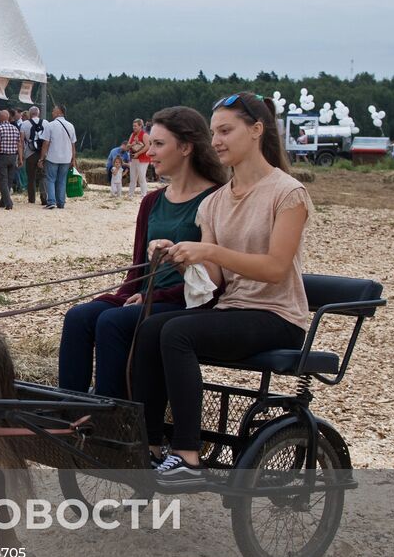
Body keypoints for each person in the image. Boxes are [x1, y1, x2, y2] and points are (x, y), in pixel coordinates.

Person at [134, 92, 313, 488]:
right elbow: (214, 280)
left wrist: (210, 249)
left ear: (256, 131)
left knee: (177, 332)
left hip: (277, 316)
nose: (216, 140)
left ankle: (188, 455)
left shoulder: (288, 193)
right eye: (213, 132)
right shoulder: (215, 201)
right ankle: (148, 447)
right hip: (233, 310)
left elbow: (276, 268)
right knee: (149, 328)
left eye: (226, 130)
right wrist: (181, 257)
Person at [59, 107, 226, 401]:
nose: (151, 152)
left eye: (159, 144)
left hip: (186, 303)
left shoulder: (215, 200)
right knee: (79, 316)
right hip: (146, 297)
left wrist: (149, 298)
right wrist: (120, 297)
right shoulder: (152, 200)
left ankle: (114, 422)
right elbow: (138, 268)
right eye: (151, 144)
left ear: (186, 147)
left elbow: (212, 282)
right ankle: (70, 412)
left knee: (112, 322)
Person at [39, 104, 77, 209]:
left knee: (50, 179)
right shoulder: (71, 126)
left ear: (59, 112)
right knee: (62, 180)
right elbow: (73, 145)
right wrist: (73, 159)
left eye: (53, 111)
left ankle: (51, 201)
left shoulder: (50, 125)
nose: (52, 113)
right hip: (66, 158)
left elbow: (46, 143)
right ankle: (61, 202)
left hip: (52, 157)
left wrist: (42, 158)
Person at [0, 109, 23, 210]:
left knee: (3, 180)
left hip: (2, 156)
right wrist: (20, 158)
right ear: (8, 117)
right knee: (9, 180)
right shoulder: (15, 128)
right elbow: (19, 145)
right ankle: (2, 201)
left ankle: (8, 202)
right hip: (13, 157)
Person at [21, 106, 46, 204]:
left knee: (31, 177)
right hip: (42, 154)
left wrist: (21, 155)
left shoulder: (24, 124)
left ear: (30, 114)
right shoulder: (46, 123)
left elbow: (21, 141)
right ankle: (44, 198)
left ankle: (31, 199)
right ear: (38, 113)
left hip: (30, 154)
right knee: (43, 176)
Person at [126, 117, 151, 197]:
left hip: (142, 159)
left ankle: (144, 195)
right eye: (133, 126)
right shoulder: (132, 134)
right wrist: (132, 144)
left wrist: (139, 153)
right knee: (132, 178)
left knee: (141, 177)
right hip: (133, 158)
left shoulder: (145, 135)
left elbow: (147, 146)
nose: (134, 127)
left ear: (140, 126)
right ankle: (130, 194)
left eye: (135, 126)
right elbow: (127, 146)